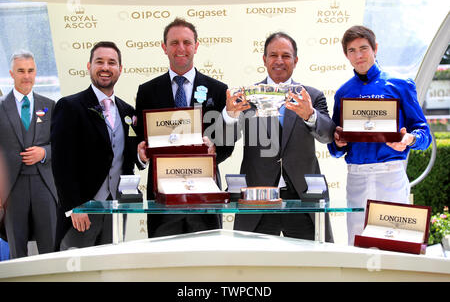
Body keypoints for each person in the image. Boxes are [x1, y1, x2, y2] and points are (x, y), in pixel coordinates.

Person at [327, 25, 432, 245]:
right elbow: (335, 148)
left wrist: (409, 139)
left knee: (396, 245)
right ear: (346, 55)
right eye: (352, 50)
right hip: (356, 177)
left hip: (391, 174)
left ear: (375, 48)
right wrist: (338, 142)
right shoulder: (343, 93)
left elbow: (424, 134)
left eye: (363, 48)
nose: (359, 55)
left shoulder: (401, 85)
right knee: (357, 246)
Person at [225, 32, 335, 241]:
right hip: (257, 198)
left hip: (303, 199)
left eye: (286, 55)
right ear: (264, 60)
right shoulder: (246, 96)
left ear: (296, 60)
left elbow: (328, 135)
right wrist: (231, 115)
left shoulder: (311, 96)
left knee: (310, 268)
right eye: (273, 55)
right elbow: (226, 139)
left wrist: (310, 115)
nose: (279, 61)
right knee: (253, 269)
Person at [135, 18, 234, 237]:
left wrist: (216, 148)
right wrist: (141, 154)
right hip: (162, 194)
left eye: (187, 42)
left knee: (208, 260)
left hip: (205, 193)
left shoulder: (218, 90)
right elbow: (141, 140)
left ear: (196, 46)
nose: (181, 48)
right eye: (174, 42)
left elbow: (227, 140)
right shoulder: (147, 91)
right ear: (164, 47)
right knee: (164, 259)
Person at [51, 41, 142, 249]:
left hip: (116, 208)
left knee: (108, 268)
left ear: (120, 69)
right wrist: (75, 207)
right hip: (83, 210)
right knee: (76, 272)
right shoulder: (70, 106)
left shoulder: (127, 111)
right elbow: (61, 163)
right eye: (99, 61)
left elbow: (128, 154)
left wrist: (141, 155)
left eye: (112, 62)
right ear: (89, 66)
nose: (105, 67)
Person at [0, 50, 58, 258]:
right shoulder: (1, 107)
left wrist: (44, 152)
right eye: (21, 71)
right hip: (12, 190)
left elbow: (60, 145)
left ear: (36, 73)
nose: (26, 76)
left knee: (50, 247)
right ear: (11, 73)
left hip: (44, 184)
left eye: (30, 71)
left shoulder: (49, 105)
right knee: (17, 248)